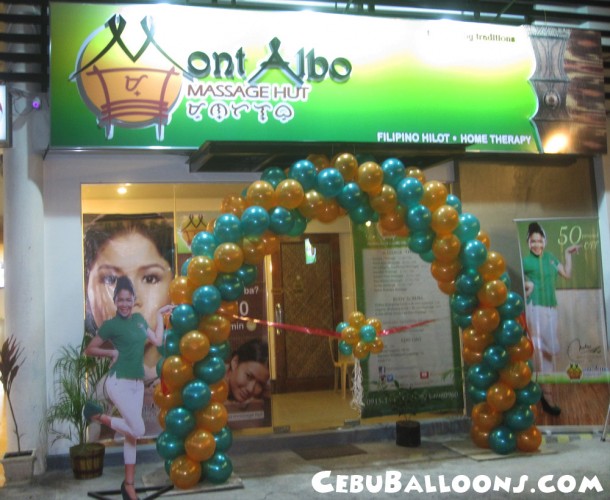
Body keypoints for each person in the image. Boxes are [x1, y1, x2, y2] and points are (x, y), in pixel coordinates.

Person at [84, 276, 174, 500]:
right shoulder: (110, 325)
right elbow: (90, 349)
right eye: (121, 299)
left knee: (131, 436)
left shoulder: (140, 320)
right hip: (118, 382)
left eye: (128, 299)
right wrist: (111, 352)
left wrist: (160, 316)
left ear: (133, 300)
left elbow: (158, 341)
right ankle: (100, 417)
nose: (125, 303)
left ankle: (130, 485)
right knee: (139, 430)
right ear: (115, 300)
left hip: (136, 384)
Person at [84, 213, 174, 436]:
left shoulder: (178, 370)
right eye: (111, 280)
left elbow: (157, 339)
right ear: (87, 286)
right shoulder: (91, 384)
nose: (132, 299)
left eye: (150, 278)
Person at [522, 222, 580, 416]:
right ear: (528, 242)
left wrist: (568, 255)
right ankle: (541, 395)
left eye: (539, 241)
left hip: (551, 309)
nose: (536, 244)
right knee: (536, 350)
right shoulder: (525, 261)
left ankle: (545, 395)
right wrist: (527, 285)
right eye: (533, 241)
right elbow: (519, 283)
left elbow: (567, 275)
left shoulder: (551, 259)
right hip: (534, 309)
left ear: (544, 241)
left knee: (548, 351)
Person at [225, 338, 271, 407]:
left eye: (260, 384)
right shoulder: (211, 382)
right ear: (235, 362)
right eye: (249, 376)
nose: (250, 389)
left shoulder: (262, 392)